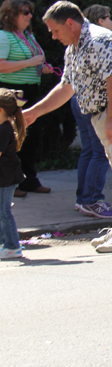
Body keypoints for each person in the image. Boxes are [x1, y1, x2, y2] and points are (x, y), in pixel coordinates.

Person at [24, 1, 112, 253]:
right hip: (108, 111)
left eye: (55, 31)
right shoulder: (74, 47)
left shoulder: (98, 40)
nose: (52, 36)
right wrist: (34, 112)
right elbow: (66, 88)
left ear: (70, 23)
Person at [0, 0, 55, 197]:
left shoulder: (28, 37)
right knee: (10, 139)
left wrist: (43, 68)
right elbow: (1, 65)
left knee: (30, 138)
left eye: (30, 11)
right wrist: (32, 61)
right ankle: (9, 184)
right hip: (10, 93)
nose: (30, 16)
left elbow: (33, 62)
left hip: (30, 92)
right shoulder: (3, 37)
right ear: (10, 14)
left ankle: (28, 181)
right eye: (25, 12)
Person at [71, 4, 112, 220]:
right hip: (92, 102)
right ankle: (92, 200)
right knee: (99, 152)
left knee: (89, 151)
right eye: (109, 17)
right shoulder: (102, 41)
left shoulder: (82, 42)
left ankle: (83, 199)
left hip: (78, 99)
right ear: (100, 21)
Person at [0, 89, 27, 259]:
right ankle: (6, 243)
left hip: (7, 177)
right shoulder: (3, 127)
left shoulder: (3, 130)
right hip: (4, 176)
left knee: (4, 211)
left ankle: (12, 246)